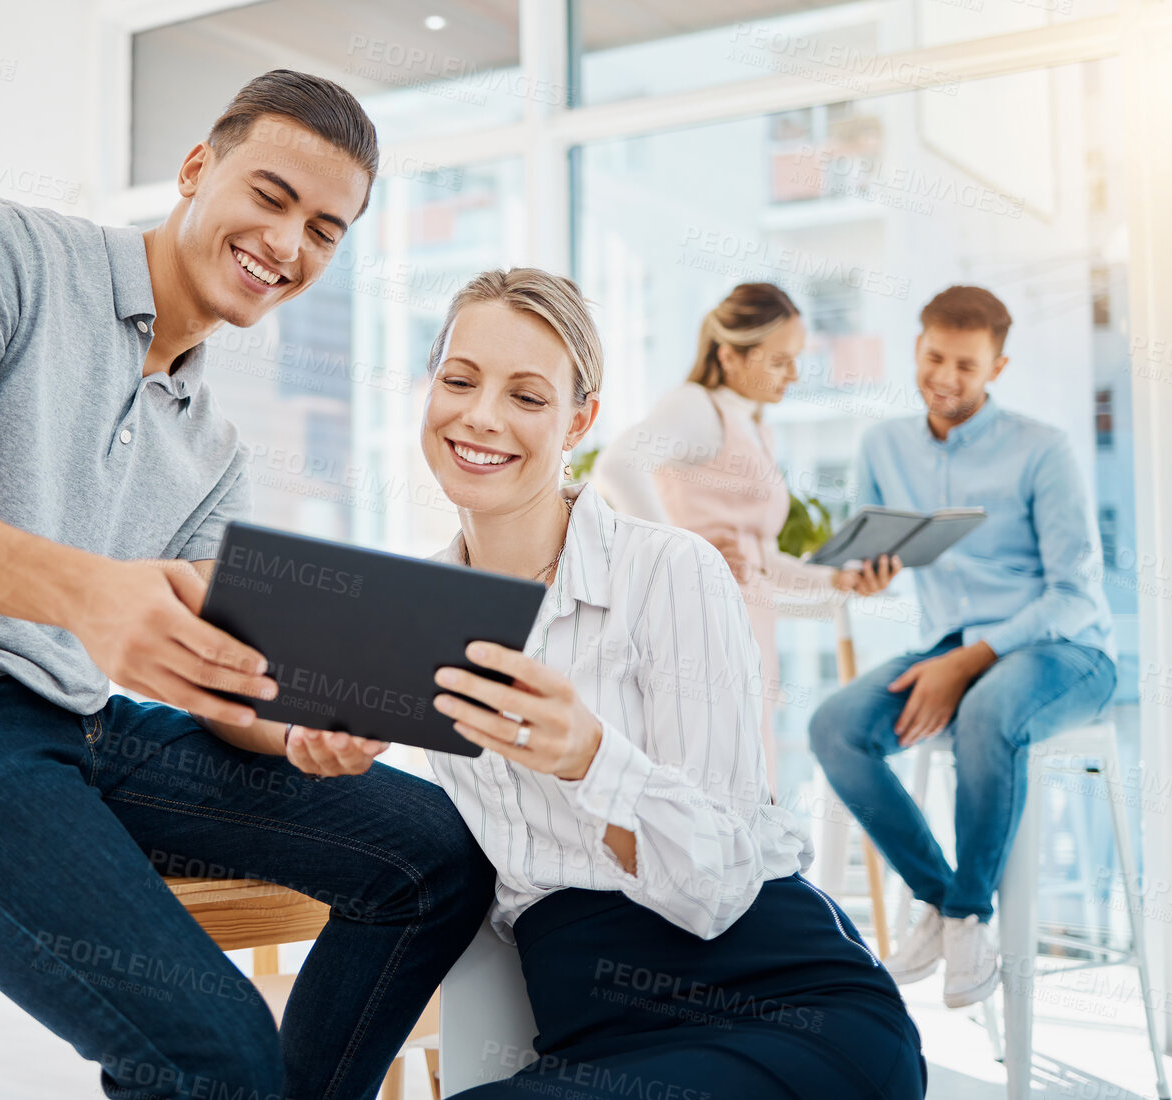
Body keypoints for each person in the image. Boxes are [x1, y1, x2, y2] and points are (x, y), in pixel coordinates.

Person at [0, 70, 494, 1100]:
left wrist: (291, 728)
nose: (288, 247)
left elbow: (213, 675)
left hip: (73, 728)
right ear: (198, 169)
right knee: (215, 1053)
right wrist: (91, 596)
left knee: (438, 856)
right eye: (272, 197)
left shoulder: (212, 445)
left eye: (326, 230)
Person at [419, 269, 925, 1099]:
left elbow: (720, 884)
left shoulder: (670, 570)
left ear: (580, 419)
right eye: (460, 380)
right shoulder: (423, 613)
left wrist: (590, 759)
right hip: (594, 1028)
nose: (481, 416)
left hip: (788, 1006)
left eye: (528, 396)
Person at [809, 285, 1117, 1009]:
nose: (946, 377)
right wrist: (865, 575)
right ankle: (942, 900)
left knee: (986, 716)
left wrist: (968, 660)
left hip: (1065, 651)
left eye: (967, 365)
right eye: (934, 357)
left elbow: (1074, 594)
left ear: (997, 368)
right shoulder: (882, 445)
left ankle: (968, 914)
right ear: (917, 348)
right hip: (947, 647)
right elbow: (872, 556)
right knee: (834, 728)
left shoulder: (1044, 449)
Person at [595, 283, 897, 773]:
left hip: (749, 630)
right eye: (779, 360)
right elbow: (618, 466)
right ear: (729, 356)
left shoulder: (758, 429)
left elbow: (758, 557)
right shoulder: (696, 406)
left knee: (746, 785)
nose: (794, 374)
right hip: (698, 632)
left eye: (797, 358)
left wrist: (835, 580)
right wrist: (685, 560)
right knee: (702, 784)